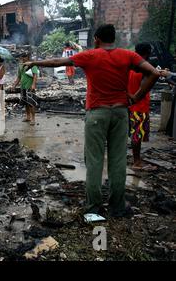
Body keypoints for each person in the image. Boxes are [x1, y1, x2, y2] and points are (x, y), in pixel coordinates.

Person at [23, 24, 161, 217]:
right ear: (114, 38)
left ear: (96, 39)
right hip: (121, 113)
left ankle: (94, 209)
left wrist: (35, 63)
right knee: (118, 160)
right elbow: (154, 73)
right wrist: (137, 96)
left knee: (95, 160)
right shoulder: (127, 55)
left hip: (97, 113)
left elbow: (58, 61)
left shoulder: (90, 55)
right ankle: (117, 207)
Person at [128, 43, 156, 171]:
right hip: (139, 107)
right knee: (137, 136)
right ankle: (137, 162)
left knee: (134, 135)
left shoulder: (130, 66)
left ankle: (136, 160)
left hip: (129, 106)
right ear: (147, 53)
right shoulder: (145, 69)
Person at [12, 53, 40, 125]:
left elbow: (35, 75)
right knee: (25, 103)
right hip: (23, 86)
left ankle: (33, 119)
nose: (23, 58)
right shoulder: (21, 66)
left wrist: (33, 85)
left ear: (28, 57)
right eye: (22, 57)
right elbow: (19, 77)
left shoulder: (32, 65)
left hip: (29, 86)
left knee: (31, 103)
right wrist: (14, 85)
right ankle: (28, 117)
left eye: (25, 57)